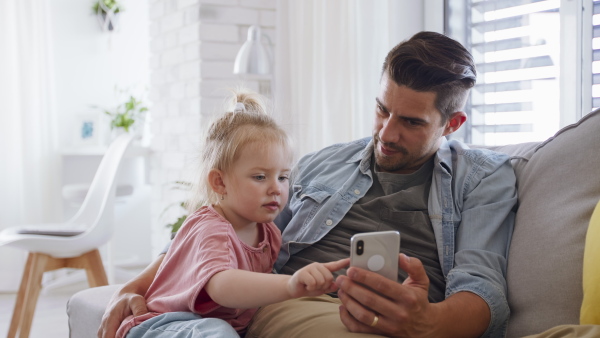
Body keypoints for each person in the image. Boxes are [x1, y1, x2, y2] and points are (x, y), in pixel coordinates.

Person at [99, 31, 517, 338]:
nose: (386, 134)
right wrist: (135, 286)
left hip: (400, 320)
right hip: (294, 303)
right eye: (381, 110)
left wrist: (428, 323)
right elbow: (222, 226)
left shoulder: (484, 178)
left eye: (410, 122)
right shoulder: (324, 163)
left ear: (453, 124)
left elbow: (482, 287)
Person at [113, 90, 349, 338]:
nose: (275, 188)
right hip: (163, 324)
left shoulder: (268, 232)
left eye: (283, 177)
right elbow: (221, 286)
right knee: (218, 332)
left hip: (209, 327)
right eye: (260, 177)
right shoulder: (211, 227)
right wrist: (290, 285)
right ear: (219, 182)